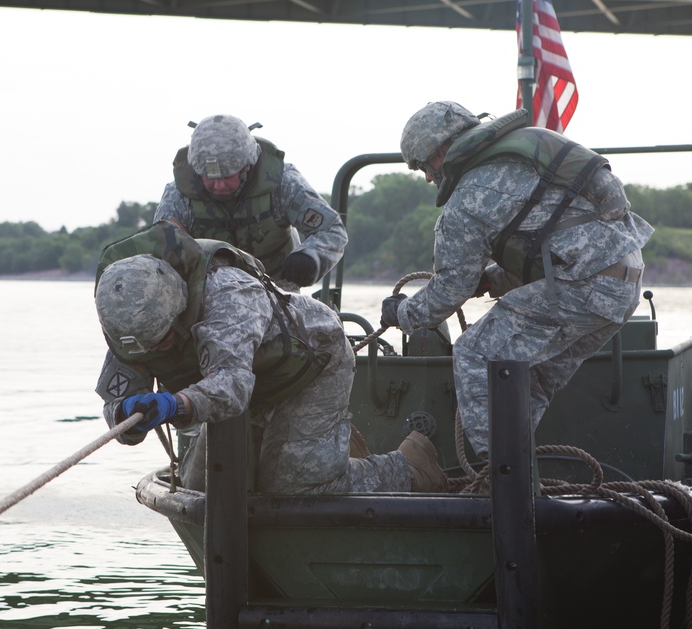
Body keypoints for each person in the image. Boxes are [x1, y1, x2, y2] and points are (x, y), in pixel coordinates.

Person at [384, 101, 653, 459]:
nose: (429, 178)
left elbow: (449, 291)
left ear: (442, 150)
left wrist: (402, 314)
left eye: (423, 167)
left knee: (474, 352)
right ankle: (521, 481)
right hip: (624, 279)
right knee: (531, 376)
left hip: (585, 286)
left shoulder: (467, 200)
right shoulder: (520, 159)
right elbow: (553, 238)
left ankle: (495, 476)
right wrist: (493, 280)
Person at [94, 221, 446, 494]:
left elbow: (230, 386)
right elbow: (116, 403)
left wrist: (176, 404)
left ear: (179, 304)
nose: (155, 350)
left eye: (164, 338)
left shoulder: (228, 294)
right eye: (144, 345)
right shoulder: (131, 320)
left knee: (297, 484)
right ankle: (320, 447)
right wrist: (125, 414)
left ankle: (409, 465)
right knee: (200, 488)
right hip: (241, 382)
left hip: (312, 364)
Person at [152, 114, 347, 291]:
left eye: (228, 176)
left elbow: (331, 230)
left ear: (247, 166)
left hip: (277, 290)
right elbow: (159, 249)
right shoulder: (179, 195)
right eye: (210, 177)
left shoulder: (283, 184)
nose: (219, 186)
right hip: (208, 291)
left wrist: (311, 256)